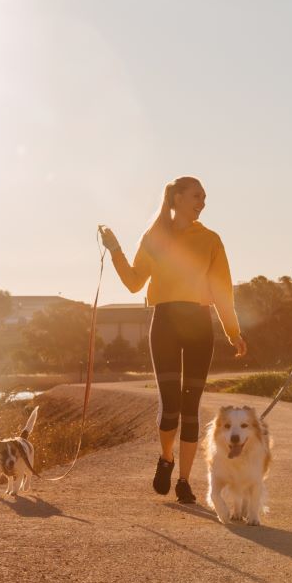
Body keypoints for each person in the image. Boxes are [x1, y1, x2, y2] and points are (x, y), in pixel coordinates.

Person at [99, 176, 247, 503]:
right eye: (197, 196)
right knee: (170, 406)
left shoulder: (211, 239)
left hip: (199, 324)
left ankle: (184, 481)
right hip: (165, 321)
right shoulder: (155, 237)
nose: (202, 202)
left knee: (191, 407)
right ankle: (166, 458)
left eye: (205, 198)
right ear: (177, 197)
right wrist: (116, 251)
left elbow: (223, 290)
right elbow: (134, 283)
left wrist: (233, 331)